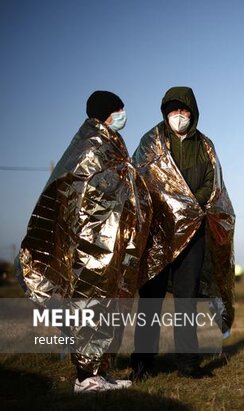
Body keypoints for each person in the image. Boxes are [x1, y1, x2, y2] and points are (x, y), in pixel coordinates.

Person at [16, 91, 152, 393]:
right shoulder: (91, 145)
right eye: (119, 109)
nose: (123, 114)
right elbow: (83, 191)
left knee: (108, 306)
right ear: (107, 112)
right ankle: (85, 377)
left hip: (108, 243)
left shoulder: (106, 142)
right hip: (91, 246)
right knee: (91, 305)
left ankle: (100, 372)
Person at [130, 86, 235, 380]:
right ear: (165, 112)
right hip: (158, 233)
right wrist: (170, 206)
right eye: (173, 110)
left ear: (193, 112)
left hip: (193, 232)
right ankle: (142, 363)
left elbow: (212, 184)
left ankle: (188, 364)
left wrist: (189, 202)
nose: (179, 116)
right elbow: (141, 180)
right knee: (151, 299)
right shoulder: (151, 142)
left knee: (186, 300)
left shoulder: (205, 146)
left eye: (184, 110)